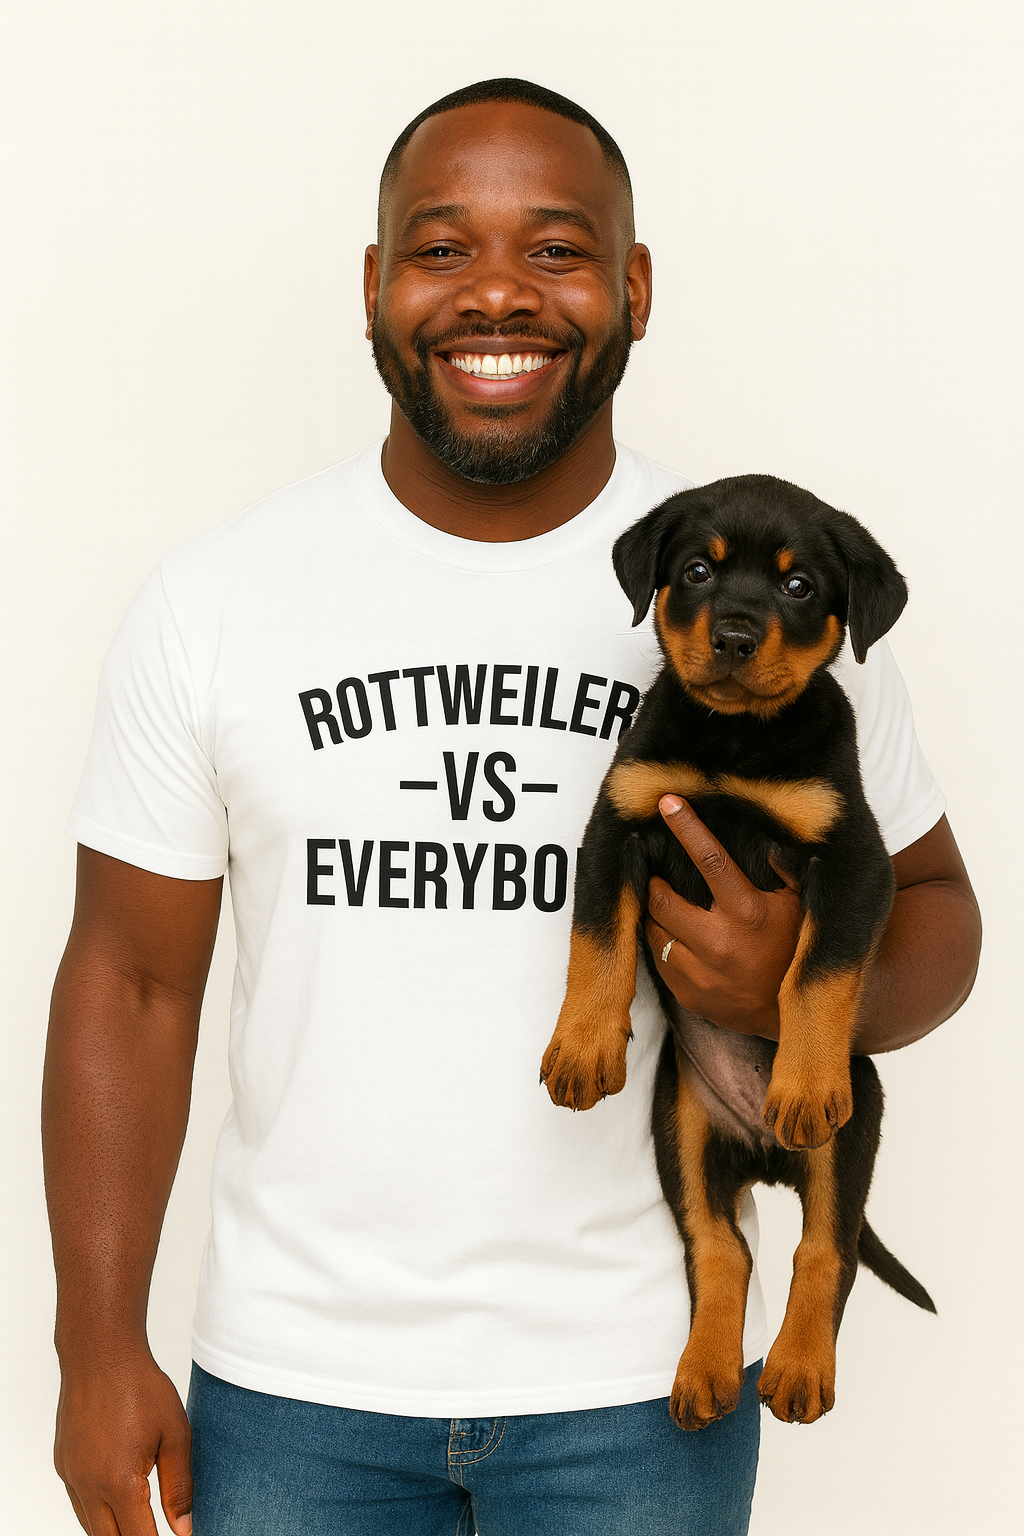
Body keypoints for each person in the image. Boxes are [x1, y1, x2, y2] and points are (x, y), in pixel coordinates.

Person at [43, 78, 981, 1536]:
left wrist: (795, 991)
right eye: (441, 249)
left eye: (556, 249)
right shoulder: (214, 598)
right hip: (295, 1380)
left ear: (635, 288)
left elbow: (930, 910)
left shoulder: (783, 596)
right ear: (373, 284)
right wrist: (95, 1347)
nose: (497, 292)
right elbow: (130, 979)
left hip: (644, 1384)